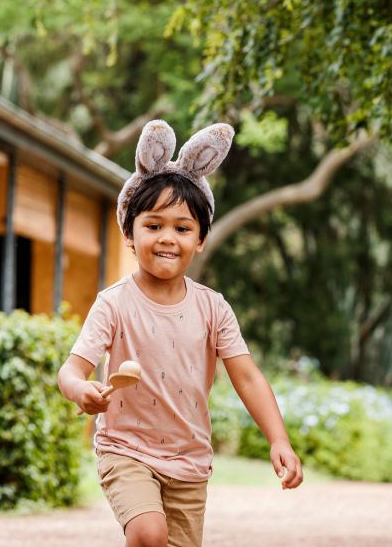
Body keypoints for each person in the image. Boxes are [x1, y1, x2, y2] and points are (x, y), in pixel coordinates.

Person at [57, 120, 303, 547]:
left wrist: (278, 439)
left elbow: (247, 376)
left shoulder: (213, 308)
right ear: (129, 233)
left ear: (201, 239)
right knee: (148, 534)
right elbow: (71, 369)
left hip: (190, 462)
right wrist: (80, 390)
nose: (167, 238)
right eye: (153, 226)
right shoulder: (113, 303)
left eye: (182, 228)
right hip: (126, 450)